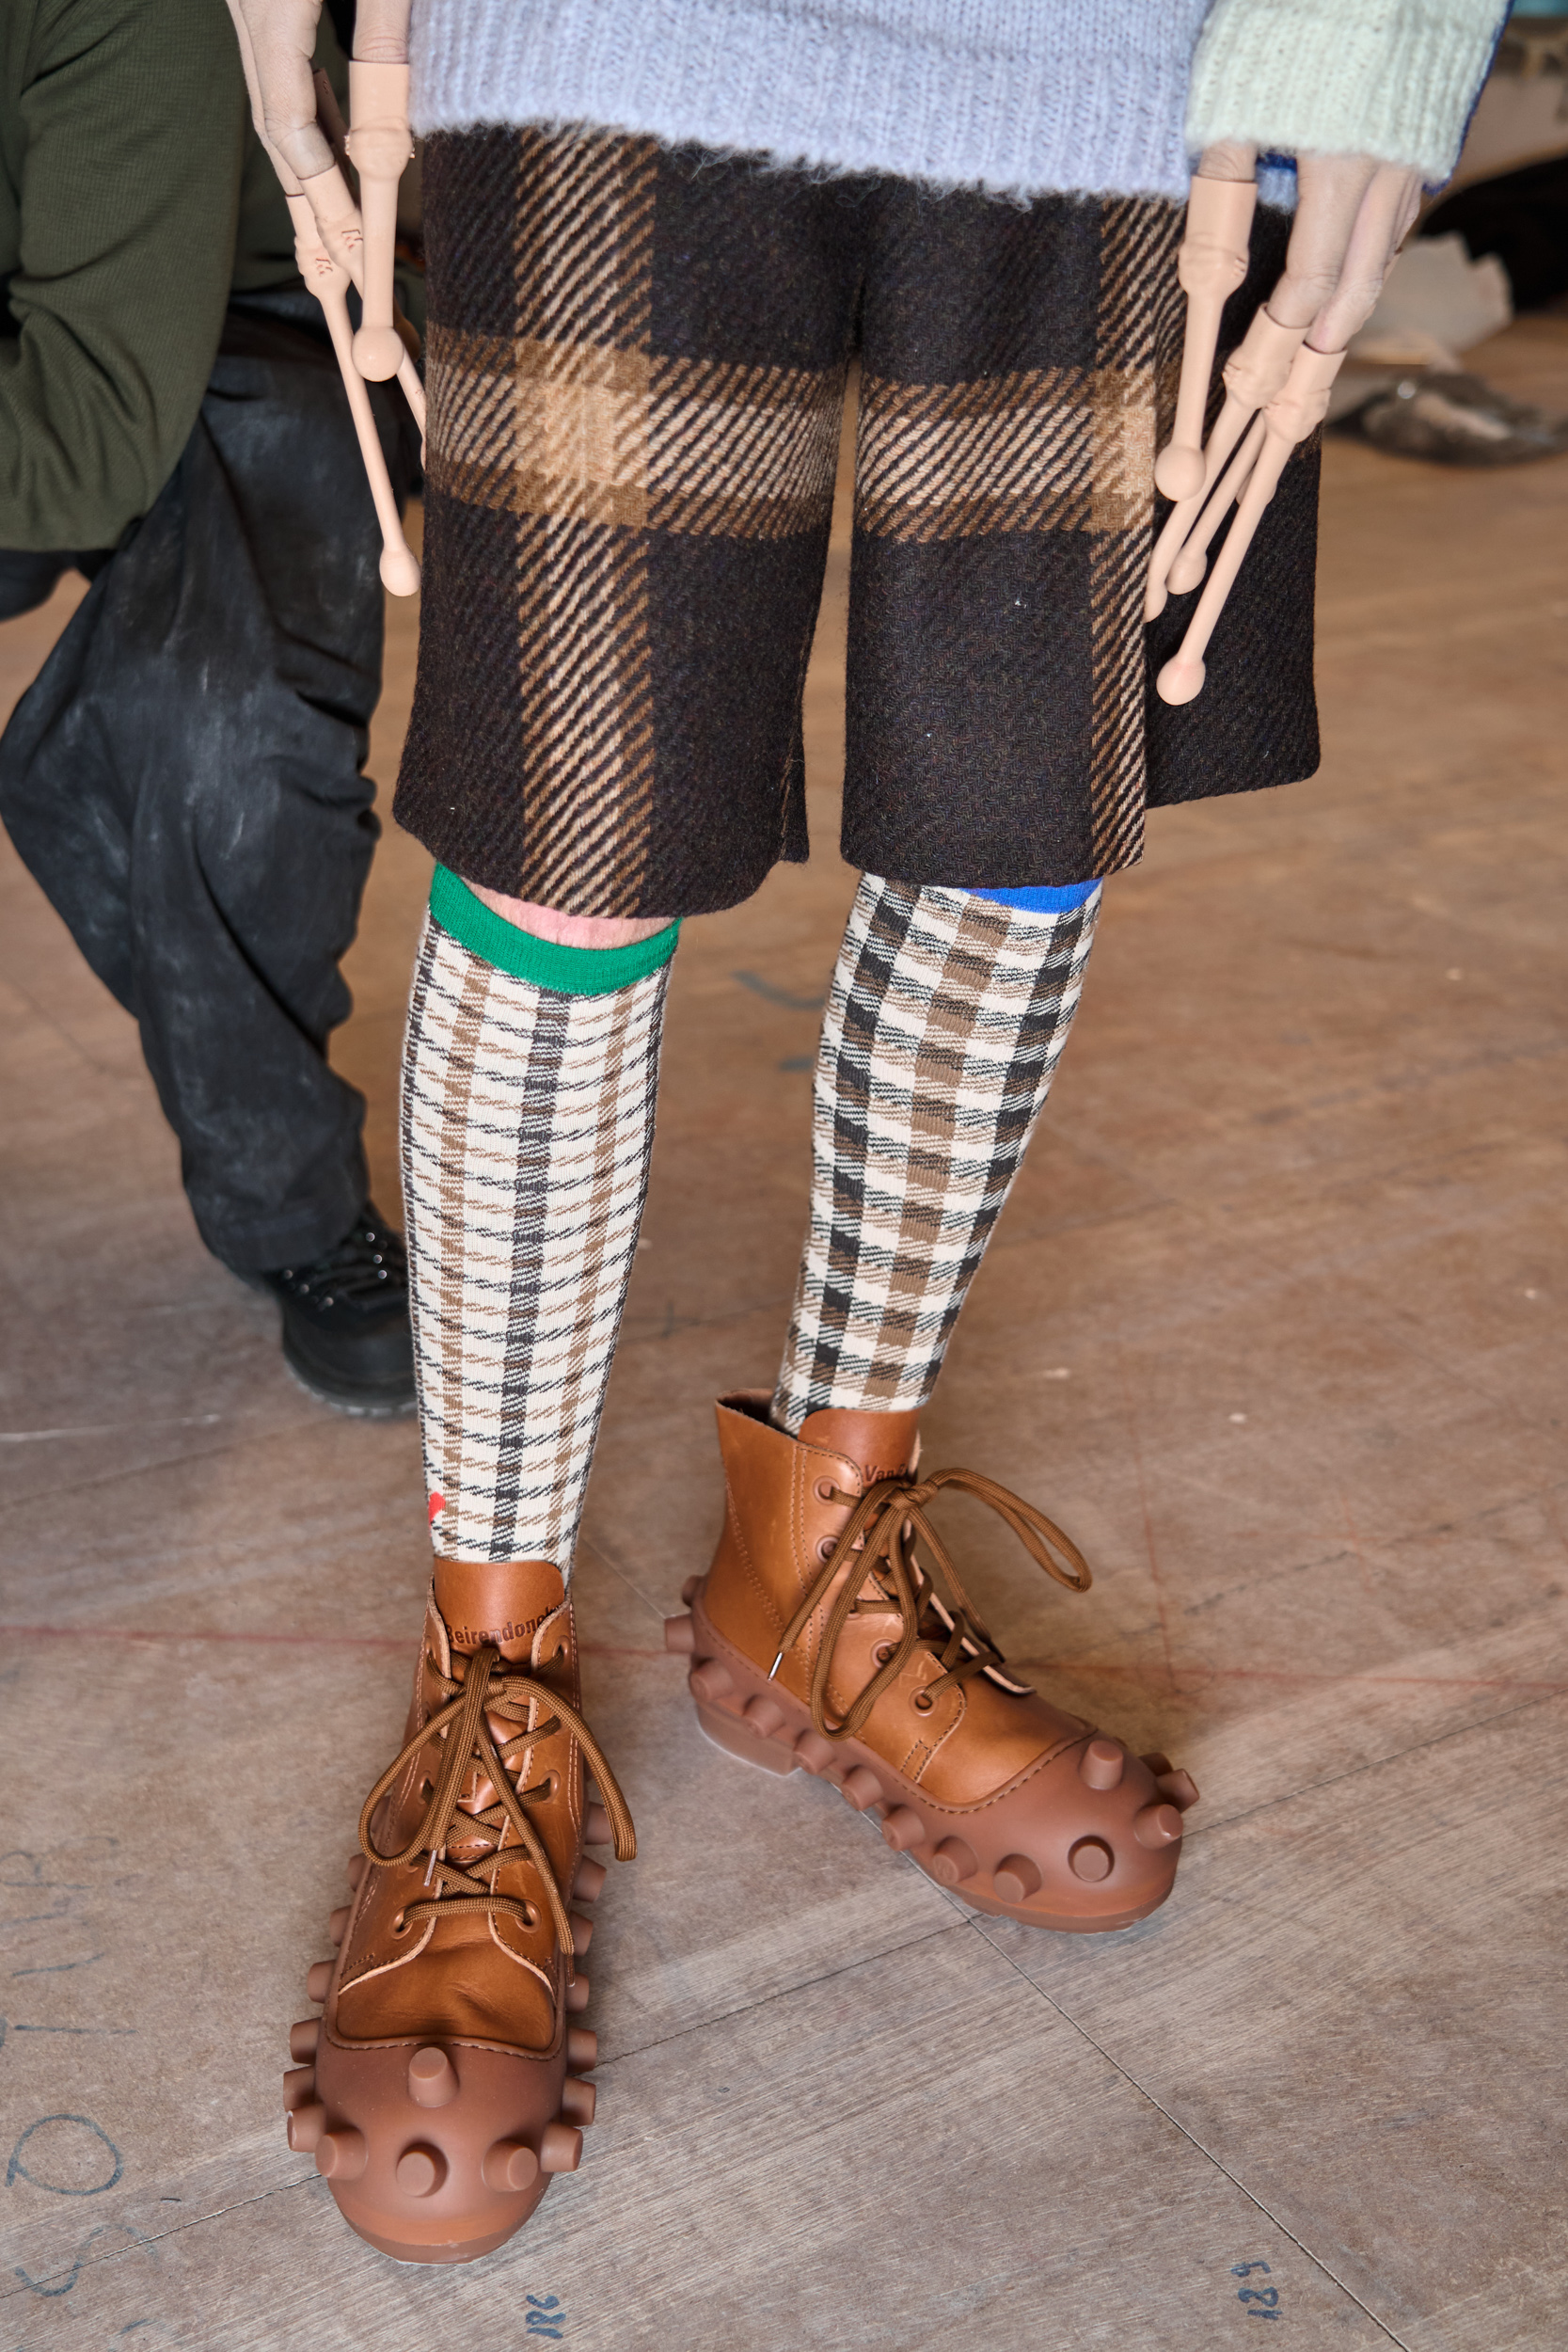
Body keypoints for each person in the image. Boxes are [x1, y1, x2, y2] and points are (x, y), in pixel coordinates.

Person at [238, 0, 1505, 2265]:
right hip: (616, 37)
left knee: (1024, 815)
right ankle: (492, 1673)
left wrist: (1376, 40)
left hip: (1142, 69)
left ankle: (814, 1561)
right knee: (563, 836)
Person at [0, 0, 418, 1414]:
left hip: (246, 308)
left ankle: (287, 1199)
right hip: (42, 333)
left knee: (219, 739)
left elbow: (83, 439)